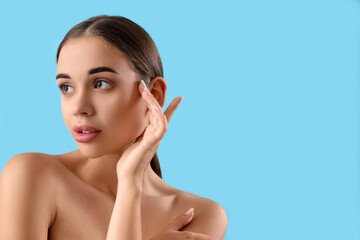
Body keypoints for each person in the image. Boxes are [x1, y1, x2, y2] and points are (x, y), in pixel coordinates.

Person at [0, 15, 228, 240]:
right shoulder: (31, 176)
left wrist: (130, 182)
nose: (79, 108)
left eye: (101, 84)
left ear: (153, 95)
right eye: (66, 87)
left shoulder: (199, 215)